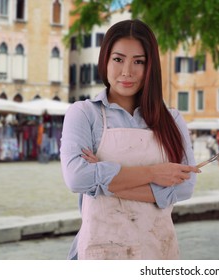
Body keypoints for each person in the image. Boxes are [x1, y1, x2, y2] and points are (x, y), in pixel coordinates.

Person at [60, 19, 200, 260]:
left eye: (138, 62)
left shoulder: (172, 119)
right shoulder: (84, 113)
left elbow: (185, 186)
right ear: (104, 60)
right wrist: (156, 174)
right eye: (118, 59)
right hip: (101, 251)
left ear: (150, 67)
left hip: (158, 250)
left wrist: (103, 182)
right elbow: (77, 178)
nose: (127, 71)